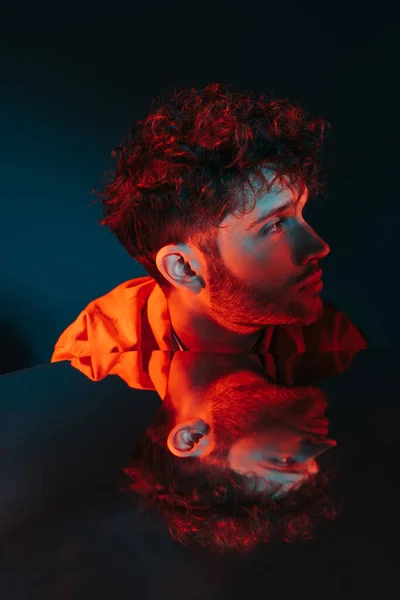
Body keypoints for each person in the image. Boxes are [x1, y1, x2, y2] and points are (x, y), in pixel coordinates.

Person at [50, 82, 368, 361]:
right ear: (185, 268)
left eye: (300, 212)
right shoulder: (96, 356)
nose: (319, 247)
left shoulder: (330, 340)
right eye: (273, 225)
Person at [122, 351, 338, 552]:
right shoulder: (327, 352)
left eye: (284, 460)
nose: (326, 444)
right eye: (311, 462)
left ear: (192, 438)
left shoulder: (114, 337)